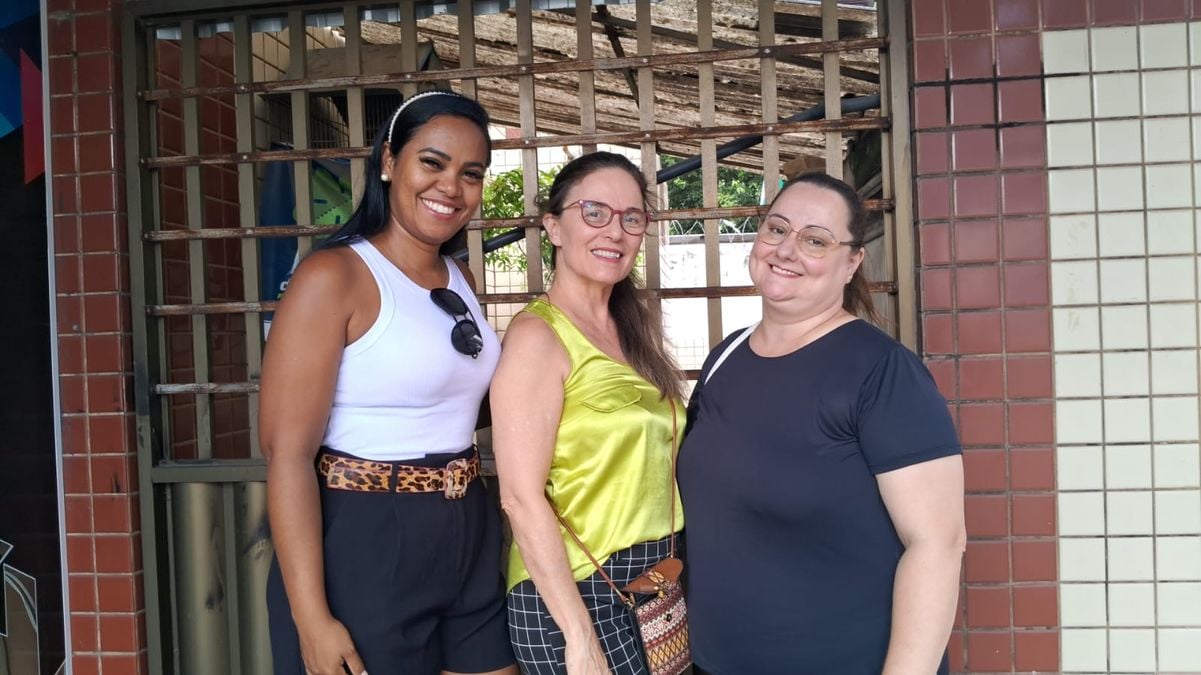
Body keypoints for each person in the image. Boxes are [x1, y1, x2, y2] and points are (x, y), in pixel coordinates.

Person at [261, 90, 517, 675]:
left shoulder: (460, 275)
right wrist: (312, 618)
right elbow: (286, 454)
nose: (451, 186)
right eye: (432, 162)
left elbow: (458, 399)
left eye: (470, 173)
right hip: (367, 532)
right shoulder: (335, 275)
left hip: (465, 525)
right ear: (388, 163)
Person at [677, 172, 965, 674]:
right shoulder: (725, 358)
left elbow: (938, 544)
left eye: (815, 240)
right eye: (777, 229)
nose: (787, 250)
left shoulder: (881, 371)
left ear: (852, 262)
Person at [490, 151, 685, 675]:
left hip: (651, 577)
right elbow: (520, 497)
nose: (615, 232)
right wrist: (577, 636)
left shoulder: (631, 330)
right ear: (553, 226)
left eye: (632, 218)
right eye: (594, 213)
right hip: (576, 588)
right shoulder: (539, 337)